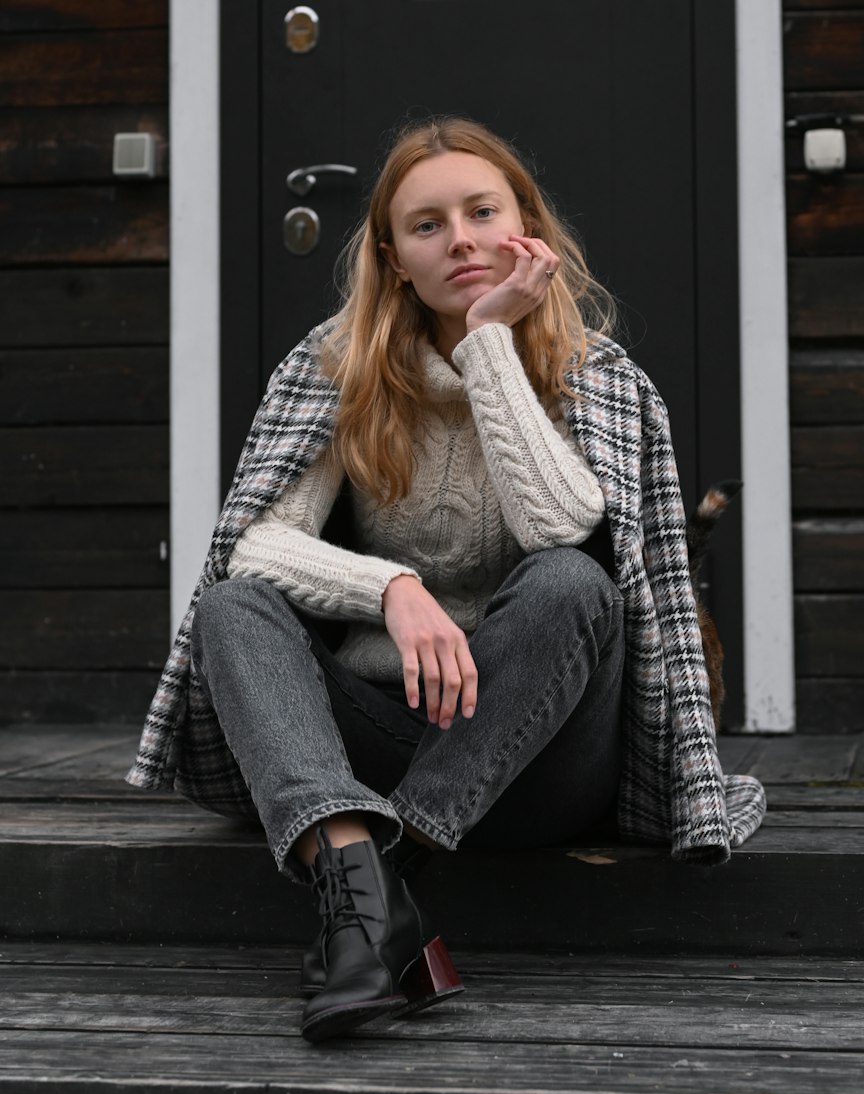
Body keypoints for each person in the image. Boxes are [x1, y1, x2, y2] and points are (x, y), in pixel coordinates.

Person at [128, 117, 766, 1044]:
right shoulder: (334, 371)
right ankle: (369, 906)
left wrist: (489, 345)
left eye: (481, 212)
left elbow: (567, 538)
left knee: (568, 587)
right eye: (428, 225)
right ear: (393, 258)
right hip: (378, 743)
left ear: (526, 230)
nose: (460, 239)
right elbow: (256, 546)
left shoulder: (599, 377)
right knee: (235, 604)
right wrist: (392, 588)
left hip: (541, 761)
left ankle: (374, 881)